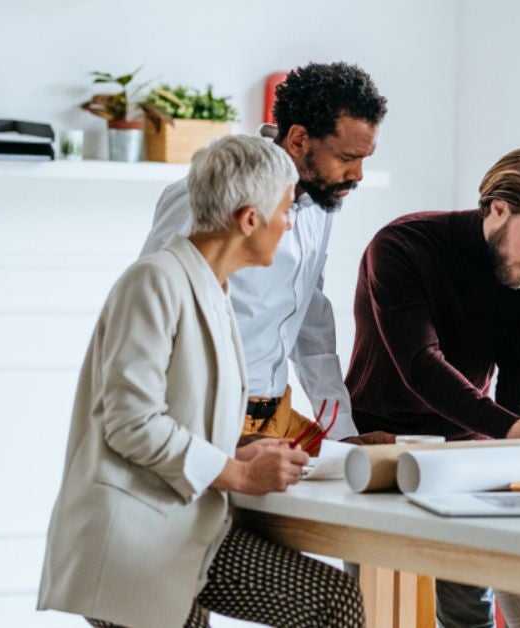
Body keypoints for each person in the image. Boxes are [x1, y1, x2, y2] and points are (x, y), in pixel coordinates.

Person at [38, 135, 364, 628]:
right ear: (248, 219)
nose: (289, 224)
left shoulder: (215, 291)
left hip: (189, 527)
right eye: (283, 210)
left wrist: (241, 450)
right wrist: (238, 475)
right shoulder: (153, 282)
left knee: (334, 602)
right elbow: (132, 424)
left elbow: (184, 414)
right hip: (134, 539)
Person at [346, 146, 520, 627]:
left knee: (468, 608)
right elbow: (421, 363)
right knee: (371, 610)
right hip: (381, 441)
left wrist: (512, 432)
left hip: (466, 446)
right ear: (498, 209)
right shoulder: (401, 246)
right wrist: (506, 429)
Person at [140, 61, 394, 452]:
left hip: (276, 414)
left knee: (360, 474)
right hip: (206, 417)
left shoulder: (322, 203)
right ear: (297, 140)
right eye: (346, 158)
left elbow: (311, 322)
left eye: (364, 158)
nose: (358, 174)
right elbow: (154, 313)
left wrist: (343, 435)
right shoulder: (205, 194)